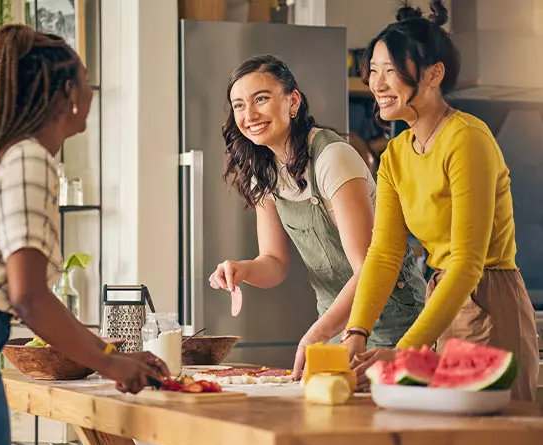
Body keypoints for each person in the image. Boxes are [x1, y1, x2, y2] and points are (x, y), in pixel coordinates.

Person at [0, 25, 169, 445]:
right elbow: (30, 297)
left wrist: (110, 355)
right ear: (67, 92)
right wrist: (110, 363)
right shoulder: (28, 158)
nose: (92, 90)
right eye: (84, 76)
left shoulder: (8, 154)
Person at [342, 1, 539, 401]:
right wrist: (355, 333)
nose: (377, 84)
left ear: (433, 74)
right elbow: (383, 253)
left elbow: (467, 263)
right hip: (441, 302)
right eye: (373, 71)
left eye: (391, 71)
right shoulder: (395, 154)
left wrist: (402, 351)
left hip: (489, 297)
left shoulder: (467, 138)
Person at [207, 55, 426, 381]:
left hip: (393, 321)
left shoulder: (332, 159)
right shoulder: (264, 171)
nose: (249, 114)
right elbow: (275, 262)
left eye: (261, 99)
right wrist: (243, 270)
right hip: (337, 328)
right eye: (239, 105)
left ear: (293, 101)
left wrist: (317, 333)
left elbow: (367, 268)